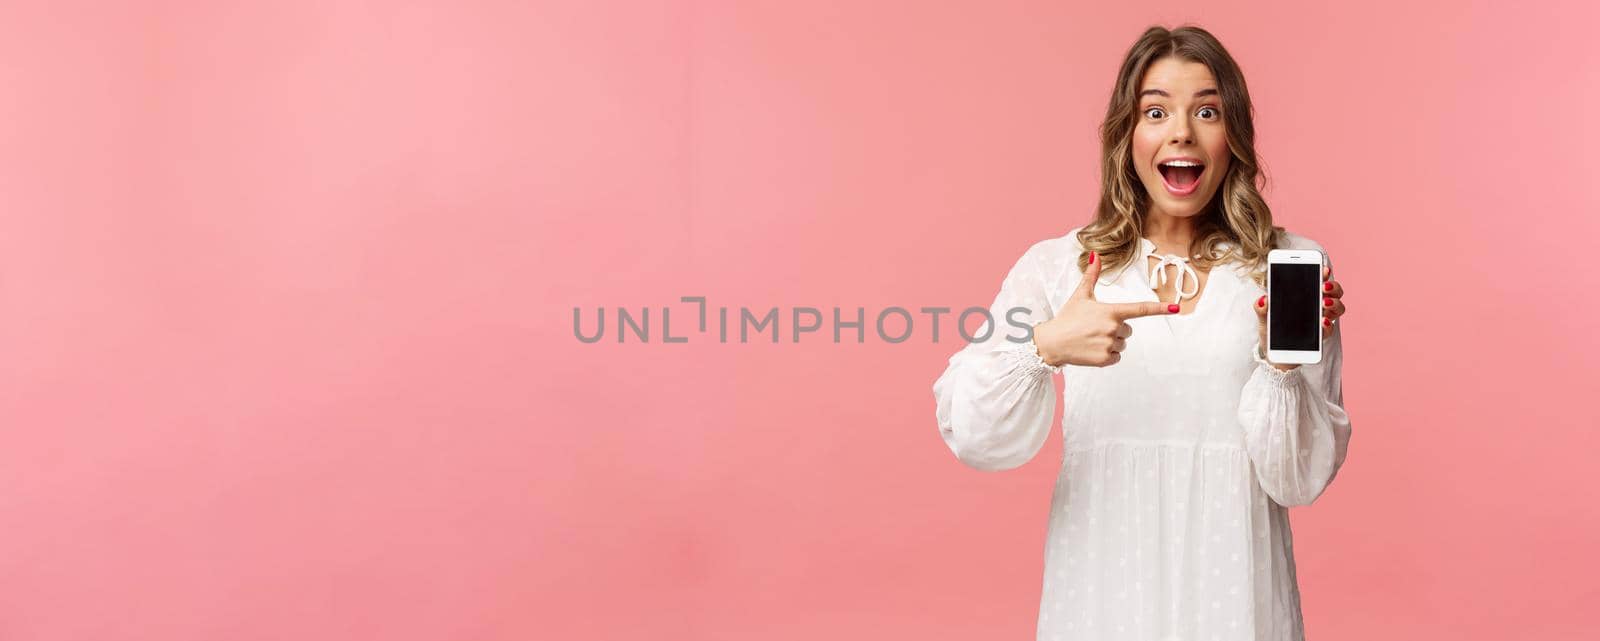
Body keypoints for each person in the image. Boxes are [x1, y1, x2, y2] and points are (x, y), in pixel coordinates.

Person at [931, 25, 1351, 641]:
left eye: (1207, 110)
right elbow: (972, 434)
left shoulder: (1284, 265)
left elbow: (1297, 479)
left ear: (1234, 132)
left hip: (1235, 588)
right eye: (1156, 111)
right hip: (1104, 586)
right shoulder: (1060, 267)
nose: (1181, 131)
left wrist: (1279, 363)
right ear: (1127, 135)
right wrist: (1044, 347)